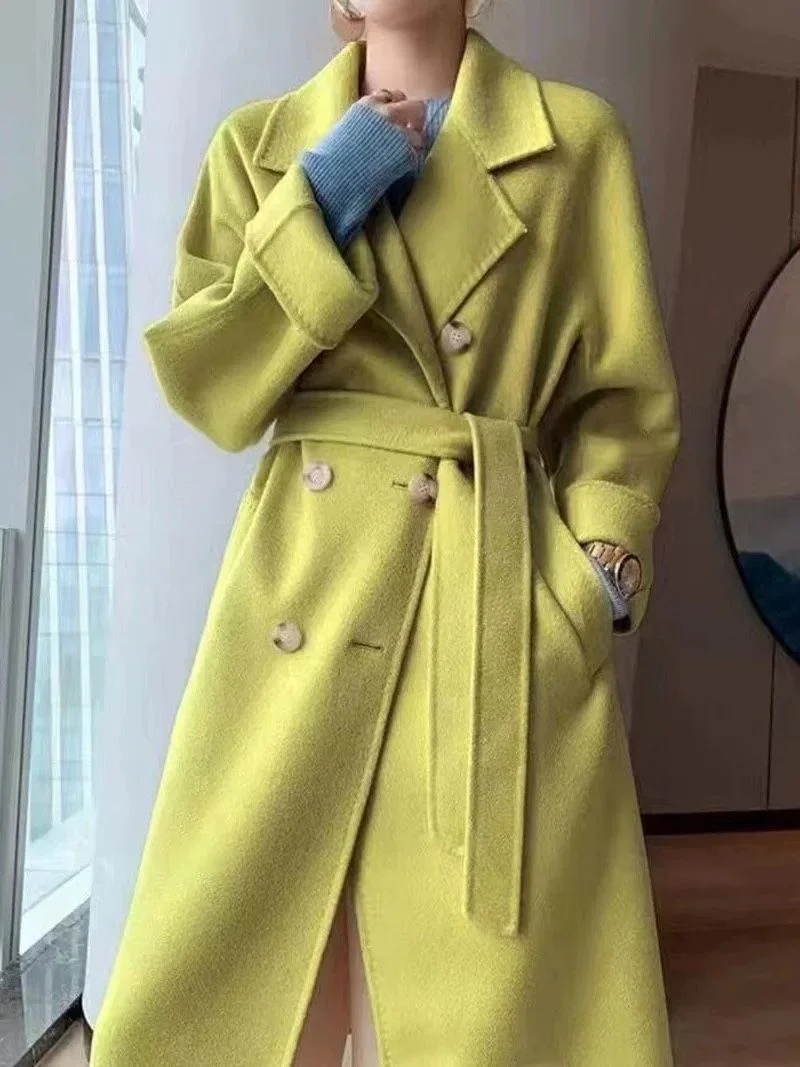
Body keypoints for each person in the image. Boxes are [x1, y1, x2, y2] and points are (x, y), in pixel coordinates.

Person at [88, 1, 681, 1065]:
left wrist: (594, 573)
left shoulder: (574, 140)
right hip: (305, 589)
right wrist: (323, 198)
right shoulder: (261, 147)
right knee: (255, 967)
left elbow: (620, 401)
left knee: (476, 994)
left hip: (491, 596)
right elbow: (212, 383)